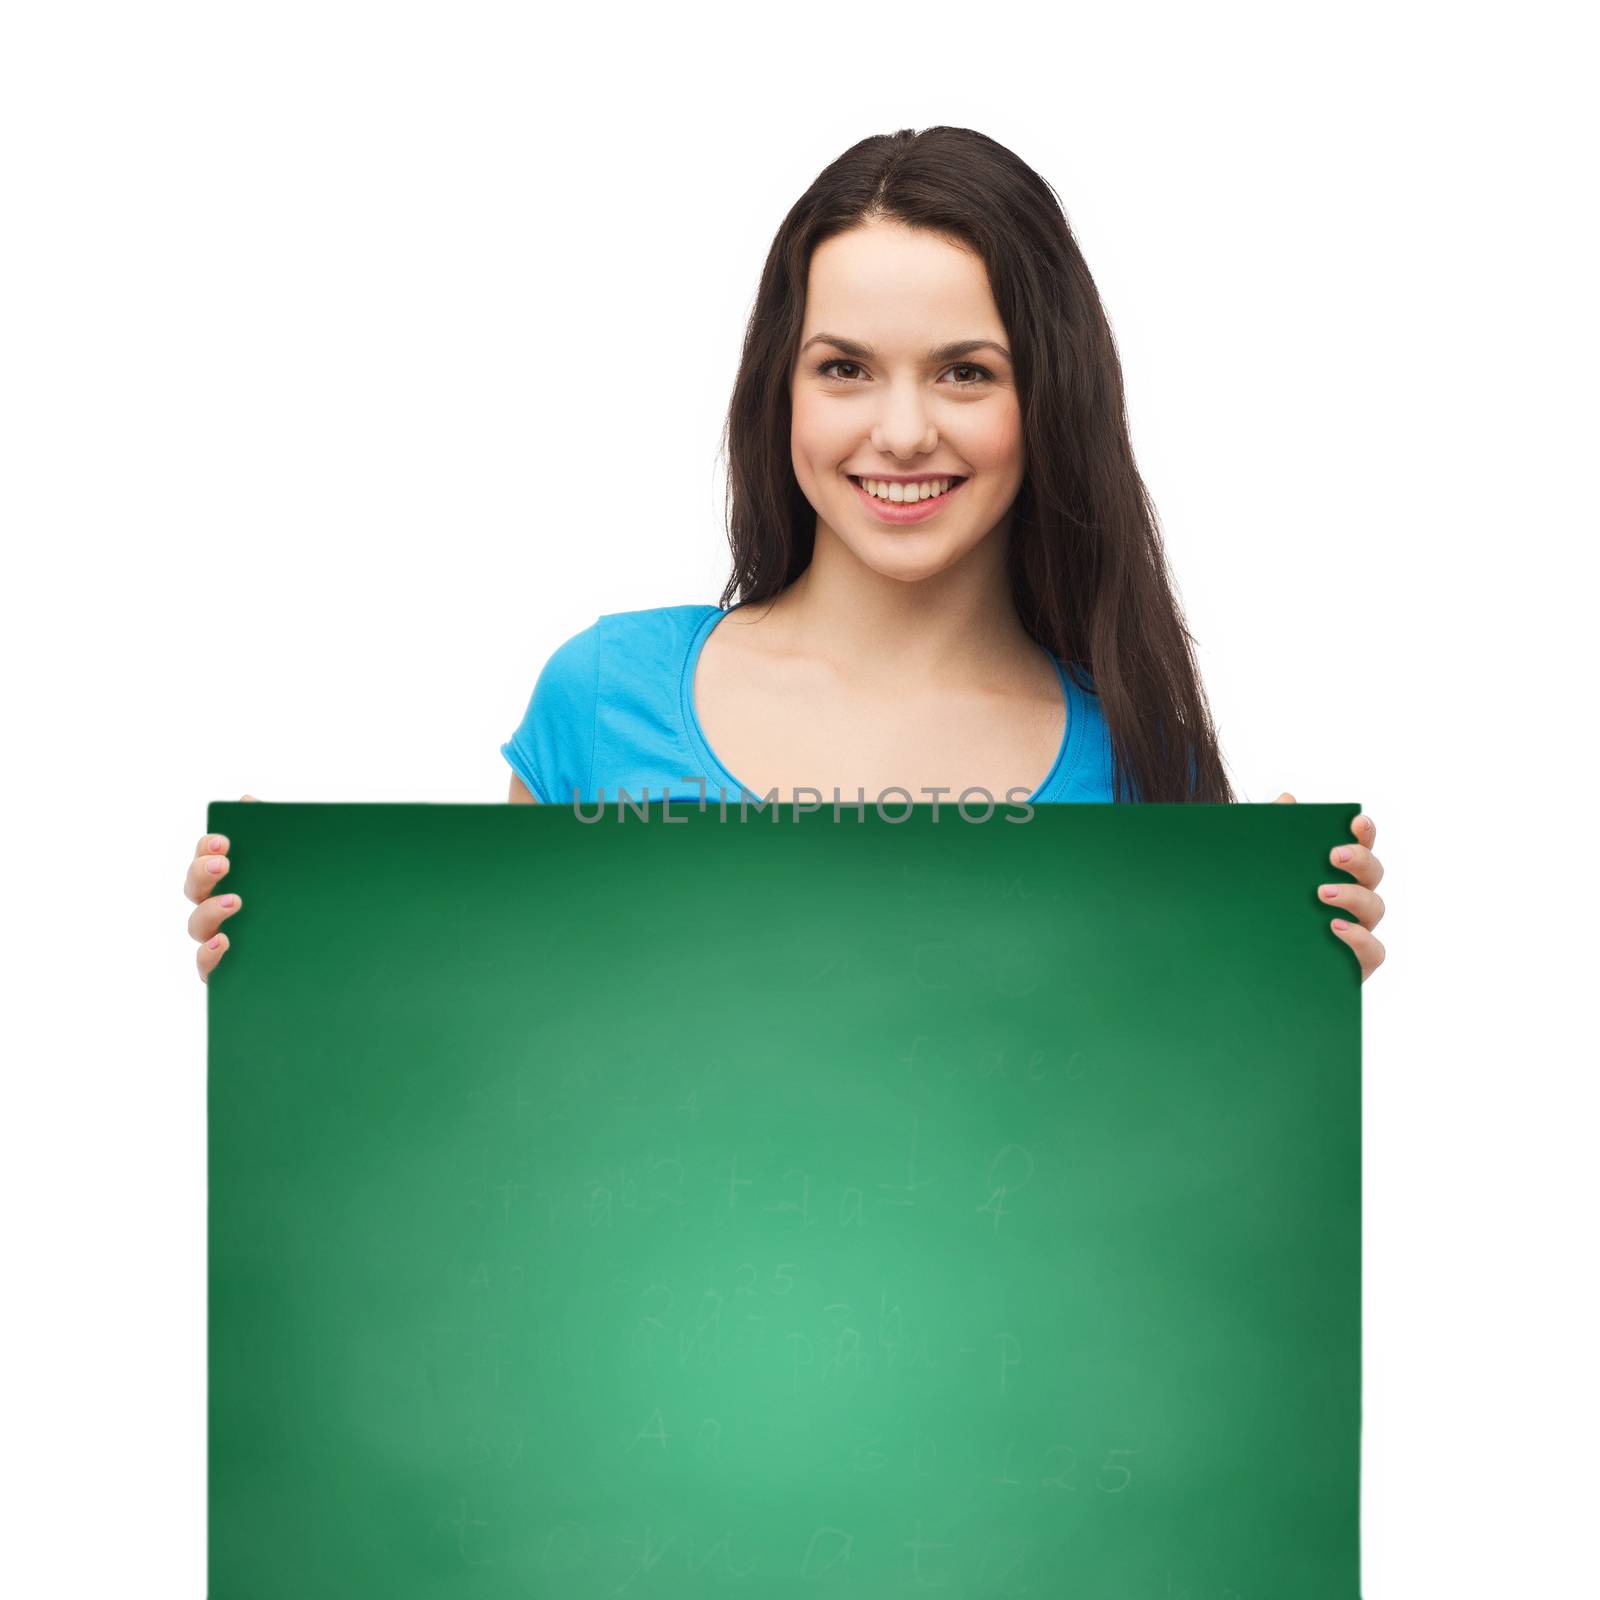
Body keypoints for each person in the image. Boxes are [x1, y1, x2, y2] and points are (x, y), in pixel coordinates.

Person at [186, 125, 1386, 983]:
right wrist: (297, 951)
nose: (901, 430)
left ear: (1050, 401)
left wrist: (1286, 974)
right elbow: (484, 1079)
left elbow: (1152, 1168)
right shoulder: (603, 700)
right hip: (643, 1342)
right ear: (782, 392)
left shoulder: (1140, 756)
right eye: (844, 367)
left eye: (966, 371)